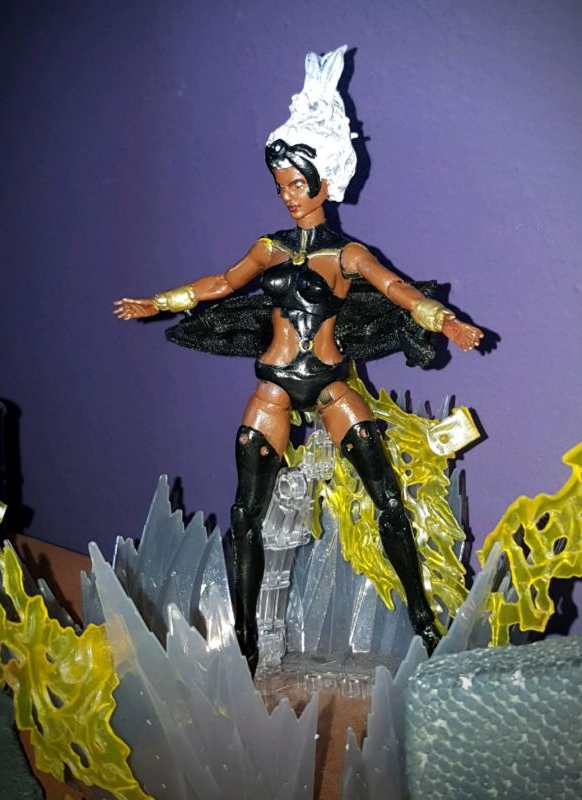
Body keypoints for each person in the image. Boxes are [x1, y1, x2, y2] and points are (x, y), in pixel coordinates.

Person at [114, 46, 483, 674]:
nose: (288, 196)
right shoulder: (269, 247)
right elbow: (221, 283)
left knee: (388, 500)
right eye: (280, 186)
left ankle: (423, 617)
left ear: (325, 181)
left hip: (333, 384)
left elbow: (397, 290)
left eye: (296, 184)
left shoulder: (347, 255)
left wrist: (444, 320)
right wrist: (159, 302)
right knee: (245, 513)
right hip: (276, 387)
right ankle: (248, 641)